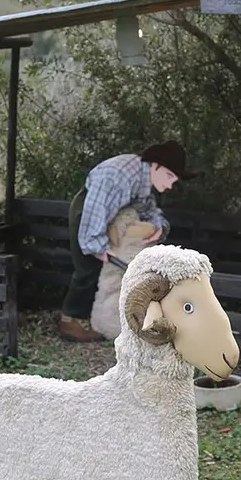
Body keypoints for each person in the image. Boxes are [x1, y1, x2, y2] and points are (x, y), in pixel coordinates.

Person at [58, 139, 197, 342]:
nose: (169, 185)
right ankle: (70, 321)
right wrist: (97, 246)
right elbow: (95, 211)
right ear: (155, 165)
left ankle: (91, 319)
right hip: (89, 209)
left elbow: (146, 208)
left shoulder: (143, 180)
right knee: (87, 267)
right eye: (168, 176)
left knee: (105, 270)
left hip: (110, 214)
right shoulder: (118, 176)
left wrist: (158, 225)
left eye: (173, 181)